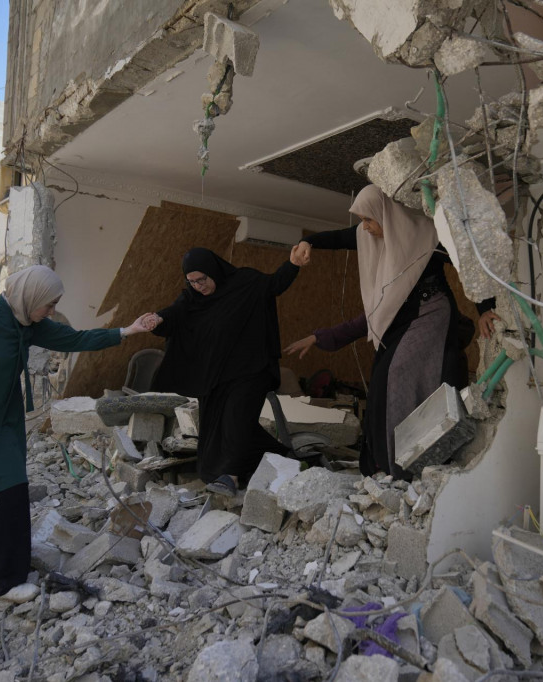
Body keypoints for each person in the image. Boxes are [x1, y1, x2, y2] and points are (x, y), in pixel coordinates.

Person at [0, 264, 158, 648]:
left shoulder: (30, 325)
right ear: (30, 297)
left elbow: (76, 339)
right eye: (49, 304)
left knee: (14, 493)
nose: (51, 311)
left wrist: (127, 331)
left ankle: (3, 580)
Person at [286, 185, 499, 480]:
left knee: (397, 374)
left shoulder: (425, 234)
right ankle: (387, 463)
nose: (366, 227)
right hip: (401, 319)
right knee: (383, 382)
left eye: (369, 219)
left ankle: (406, 465)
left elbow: (469, 263)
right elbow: (337, 238)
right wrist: (308, 241)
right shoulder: (368, 237)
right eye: (362, 220)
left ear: (386, 215)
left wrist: (485, 308)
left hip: (430, 312)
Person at [148, 246, 301, 497]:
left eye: (202, 279)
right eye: (192, 282)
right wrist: (158, 319)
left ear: (213, 271)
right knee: (221, 430)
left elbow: (275, 284)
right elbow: (174, 315)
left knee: (236, 418)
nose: (198, 286)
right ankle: (284, 458)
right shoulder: (192, 299)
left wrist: (293, 264)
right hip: (215, 375)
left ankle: (230, 477)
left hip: (251, 369)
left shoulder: (246, 282)